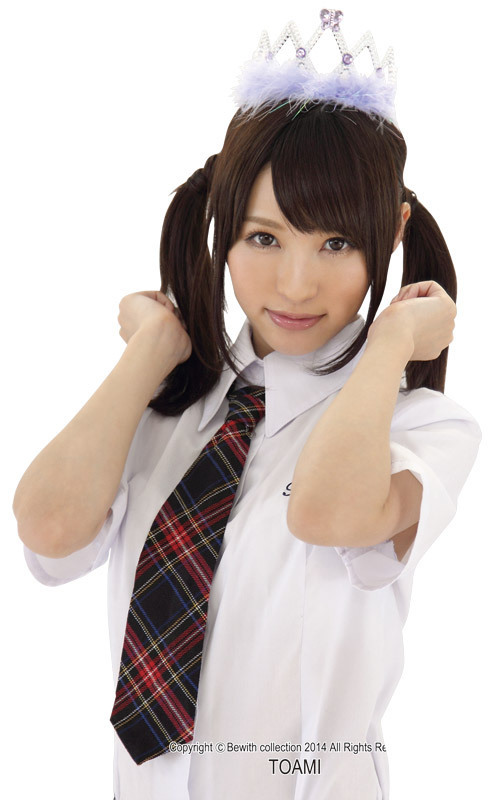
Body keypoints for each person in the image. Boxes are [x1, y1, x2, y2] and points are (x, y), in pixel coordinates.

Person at [13, 8, 481, 800]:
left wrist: (394, 343)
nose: (296, 285)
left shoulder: (422, 427)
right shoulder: (162, 412)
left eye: (337, 243)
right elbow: (47, 531)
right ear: (221, 227)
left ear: (392, 232)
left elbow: (327, 514)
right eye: (264, 238)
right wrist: (152, 351)